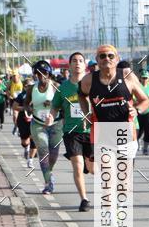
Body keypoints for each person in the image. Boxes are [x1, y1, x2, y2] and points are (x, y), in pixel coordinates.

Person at [79, 45, 149, 161]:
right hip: (101, 132)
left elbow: (145, 100)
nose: (106, 59)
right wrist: (86, 114)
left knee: (123, 176)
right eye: (102, 56)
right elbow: (81, 95)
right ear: (97, 60)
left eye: (110, 56)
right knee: (107, 175)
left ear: (117, 59)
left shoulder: (128, 76)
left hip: (125, 132)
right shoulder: (88, 80)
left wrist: (137, 110)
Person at [51, 51, 93, 211]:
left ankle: (86, 166)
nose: (77, 63)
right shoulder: (64, 87)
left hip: (91, 131)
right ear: (69, 65)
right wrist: (51, 116)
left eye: (80, 60)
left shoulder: (92, 84)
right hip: (71, 131)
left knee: (92, 169)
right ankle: (84, 200)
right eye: (74, 61)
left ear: (84, 65)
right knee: (77, 165)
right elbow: (55, 106)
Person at [26, 60, 64, 194]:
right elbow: (26, 104)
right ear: (35, 74)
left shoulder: (56, 86)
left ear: (49, 74)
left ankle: (49, 172)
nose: (42, 75)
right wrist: (29, 109)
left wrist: (53, 104)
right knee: (43, 151)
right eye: (38, 73)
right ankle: (48, 183)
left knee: (53, 155)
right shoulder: (31, 88)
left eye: (45, 73)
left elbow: (63, 104)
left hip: (56, 124)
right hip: (38, 124)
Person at [12, 83, 37, 168]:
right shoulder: (21, 95)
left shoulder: (37, 94)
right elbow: (14, 107)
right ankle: (26, 147)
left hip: (35, 120)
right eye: (27, 86)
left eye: (31, 86)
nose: (29, 87)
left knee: (34, 140)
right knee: (24, 142)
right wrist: (24, 108)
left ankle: (30, 160)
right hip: (23, 120)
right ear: (24, 86)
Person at [136, 68, 149, 154]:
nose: (145, 80)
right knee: (139, 130)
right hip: (139, 112)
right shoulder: (137, 87)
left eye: (146, 78)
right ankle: (138, 141)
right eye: (143, 78)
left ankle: (145, 148)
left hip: (148, 111)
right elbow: (134, 98)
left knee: (148, 130)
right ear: (140, 78)